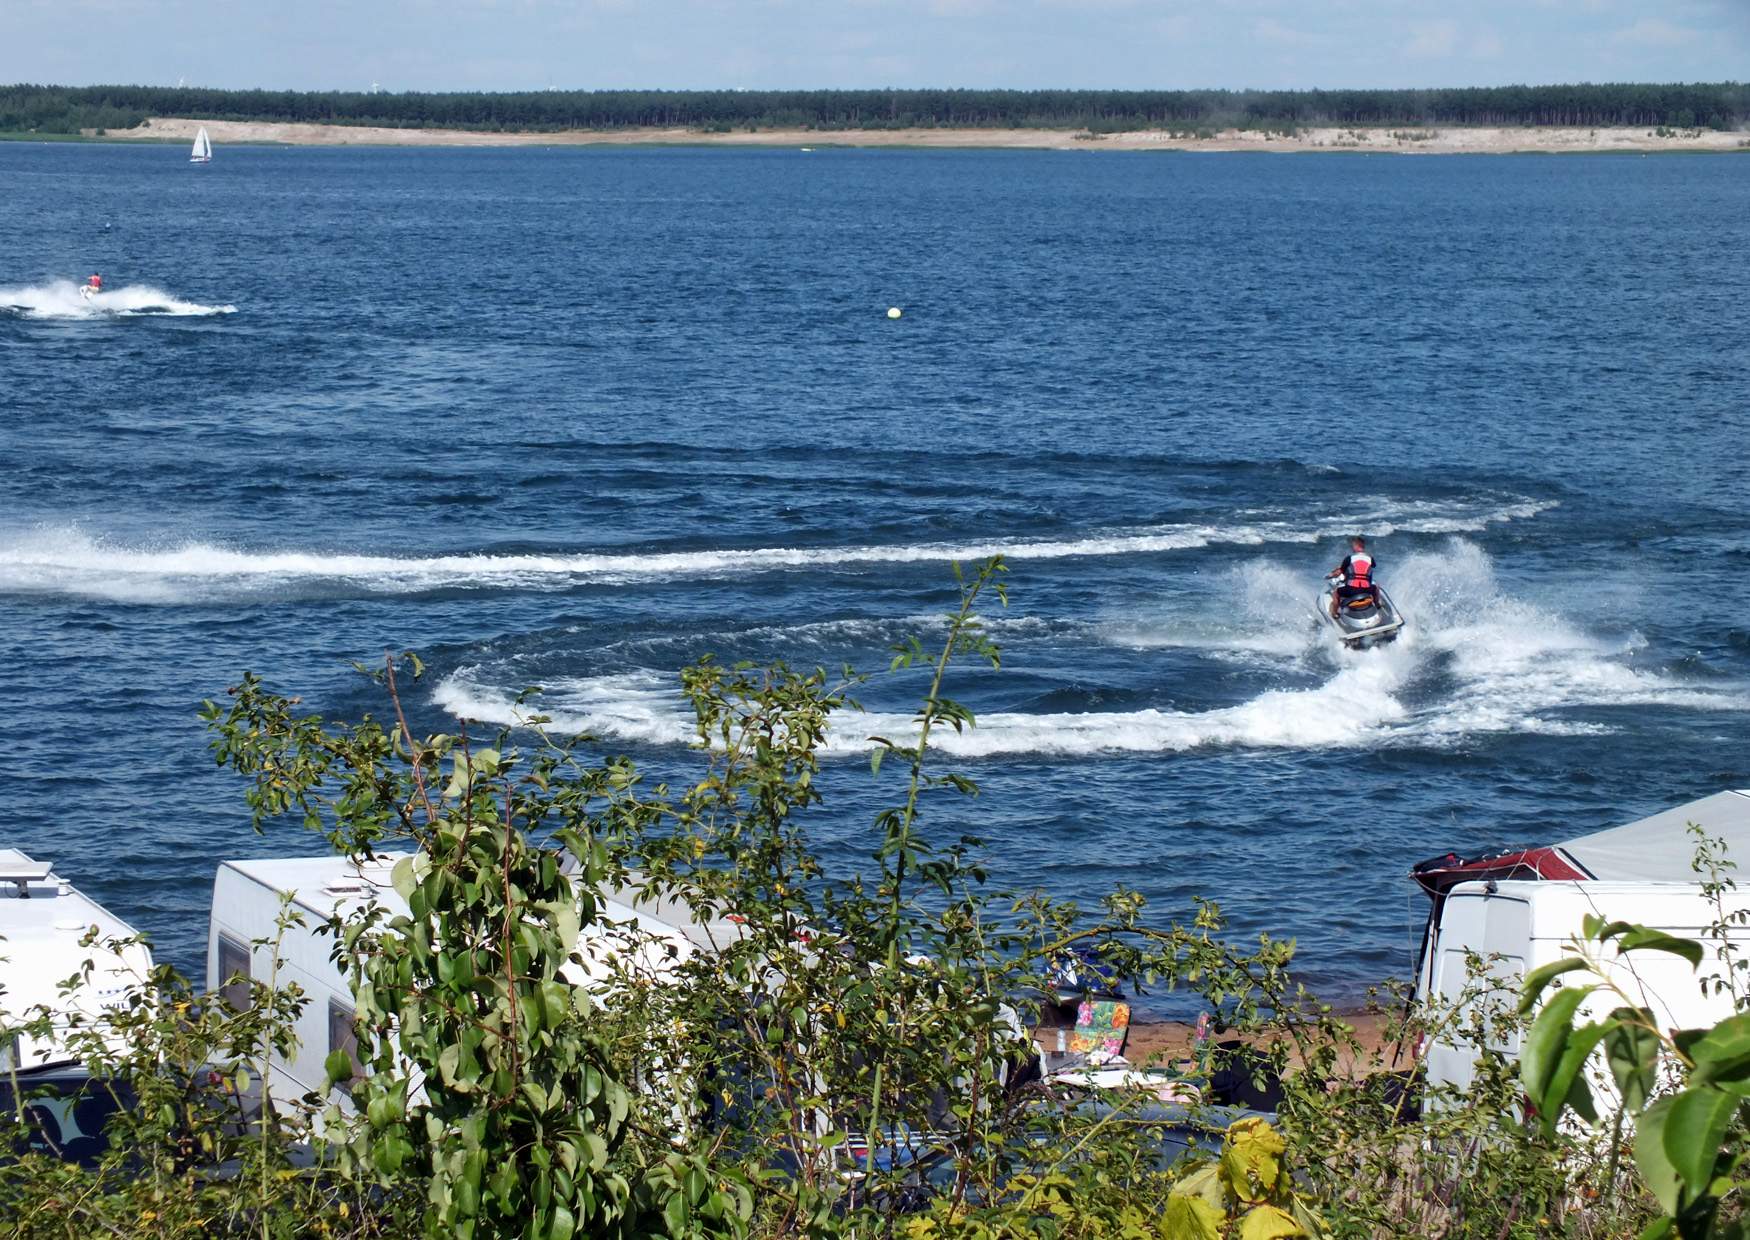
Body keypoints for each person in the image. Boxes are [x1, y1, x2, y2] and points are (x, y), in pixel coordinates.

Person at [1329, 535, 1376, 619]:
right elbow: (1371, 566)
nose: (1352, 548)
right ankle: (1378, 605)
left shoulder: (1349, 558)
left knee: (1335, 593)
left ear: (1357, 546)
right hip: (1367, 589)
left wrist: (1330, 575)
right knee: (1377, 587)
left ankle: (1335, 613)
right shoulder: (1370, 558)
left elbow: (1340, 571)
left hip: (1352, 589)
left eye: (1353, 545)